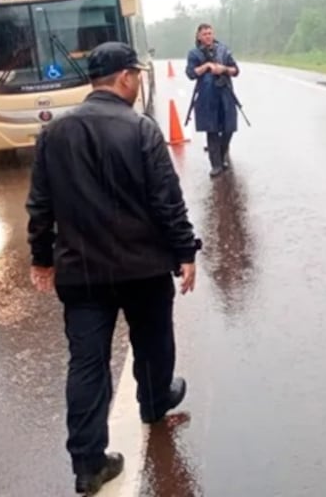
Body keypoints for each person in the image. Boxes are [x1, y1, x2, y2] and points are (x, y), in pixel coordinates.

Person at [26, 41, 202, 496]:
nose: (139, 81)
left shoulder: (53, 134)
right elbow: (167, 201)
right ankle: (154, 400)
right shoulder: (141, 129)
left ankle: (88, 464)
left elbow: (40, 206)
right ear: (125, 77)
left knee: (87, 364)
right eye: (136, 74)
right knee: (154, 341)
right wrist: (185, 252)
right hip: (143, 267)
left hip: (81, 272)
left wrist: (41, 258)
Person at [186, 23, 242, 177]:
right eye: (204, 34)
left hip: (226, 95)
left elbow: (236, 70)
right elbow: (191, 73)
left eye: (210, 33)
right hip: (207, 97)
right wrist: (206, 67)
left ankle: (222, 154)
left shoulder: (224, 50)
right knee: (212, 130)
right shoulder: (194, 54)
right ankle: (216, 165)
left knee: (229, 128)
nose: (208, 36)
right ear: (199, 36)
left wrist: (224, 69)